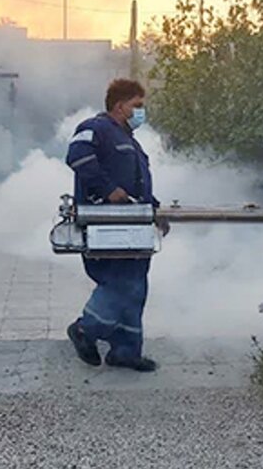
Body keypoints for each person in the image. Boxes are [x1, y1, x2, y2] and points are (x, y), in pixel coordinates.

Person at [65, 79, 167, 372]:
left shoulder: (130, 142)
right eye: (137, 105)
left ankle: (126, 351)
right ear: (120, 105)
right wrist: (108, 189)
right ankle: (86, 328)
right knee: (121, 283)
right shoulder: (95, 128)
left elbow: (138, 188)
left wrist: (155, 211)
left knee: (136, 285)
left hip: (132, 226)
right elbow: (77, 157)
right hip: (107, 225)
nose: (141, 112)